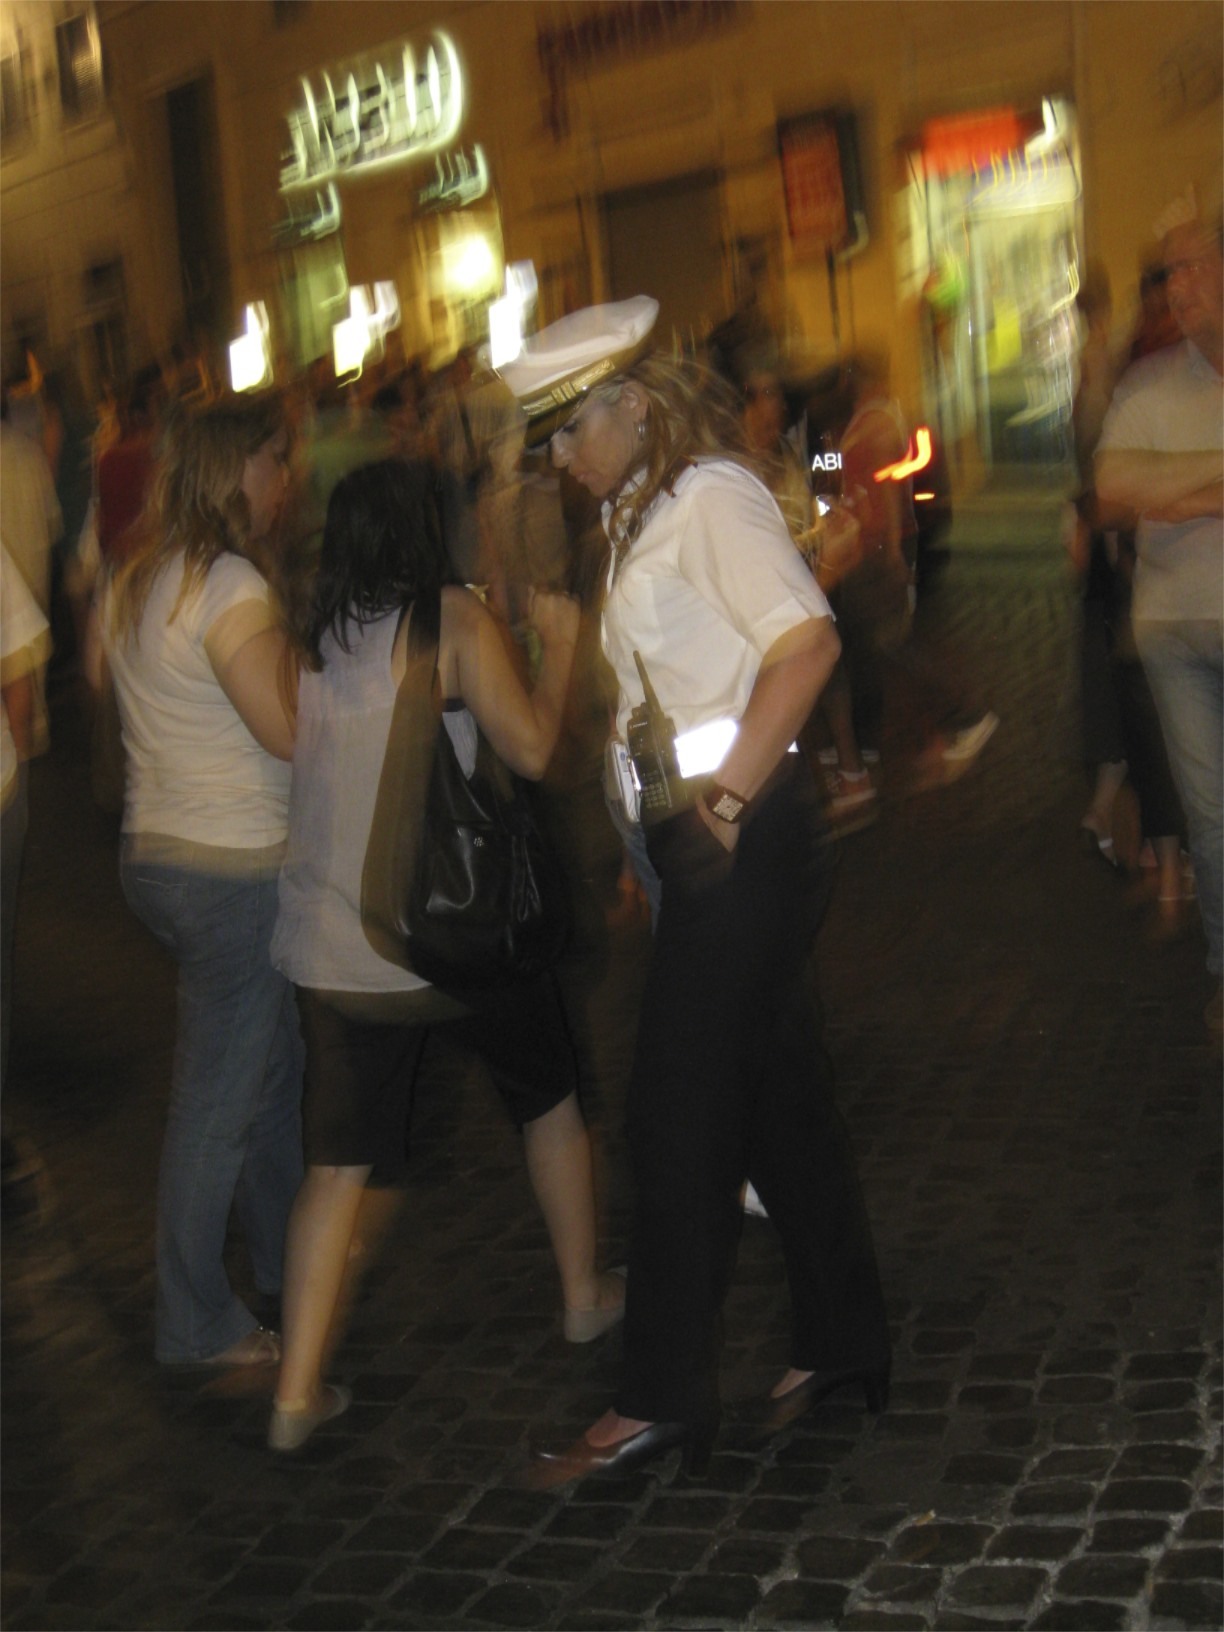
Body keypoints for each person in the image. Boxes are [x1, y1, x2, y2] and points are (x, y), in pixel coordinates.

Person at [501, 296, 891, 1484]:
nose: (560, 460)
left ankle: (658, 1400)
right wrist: (650, 837)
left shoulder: (709, 497)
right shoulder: (642, 507)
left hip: (743, 839)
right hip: (702, 841)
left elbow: (808, 644)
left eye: (570, 432)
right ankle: (845, 1341)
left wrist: (716, 807)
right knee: (778, 1101)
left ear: (633, 404)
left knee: (675, 1118)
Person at [267, 458, 625, 1452]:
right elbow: (535, 749)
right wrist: (562, 646)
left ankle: (294, 1394)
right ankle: (583, 1296)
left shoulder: (314, 638)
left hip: (337, 941)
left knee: (335, 1166)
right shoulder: (451, 621)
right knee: (549, 1098)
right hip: (453, 931)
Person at [92, 392, 305, 1366]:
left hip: (160, 850)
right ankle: (194, 1321)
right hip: (231, 868)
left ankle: (290, 1253)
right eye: (274, 459)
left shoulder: (138, 575)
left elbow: (106, 683)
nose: (286, 478)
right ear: (235, 469)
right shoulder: (227, 583)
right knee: (220, 1098)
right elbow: (287, 730)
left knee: (271, 1068)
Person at [1096, 206, 1224, 1032]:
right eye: (1168, 272)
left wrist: (1171, 486)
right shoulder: (1147, 385)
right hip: (1176, 635)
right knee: (1211, 814)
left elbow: (1144, 485)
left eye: (1192, 266)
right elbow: (1112, 491)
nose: (1176, 286)